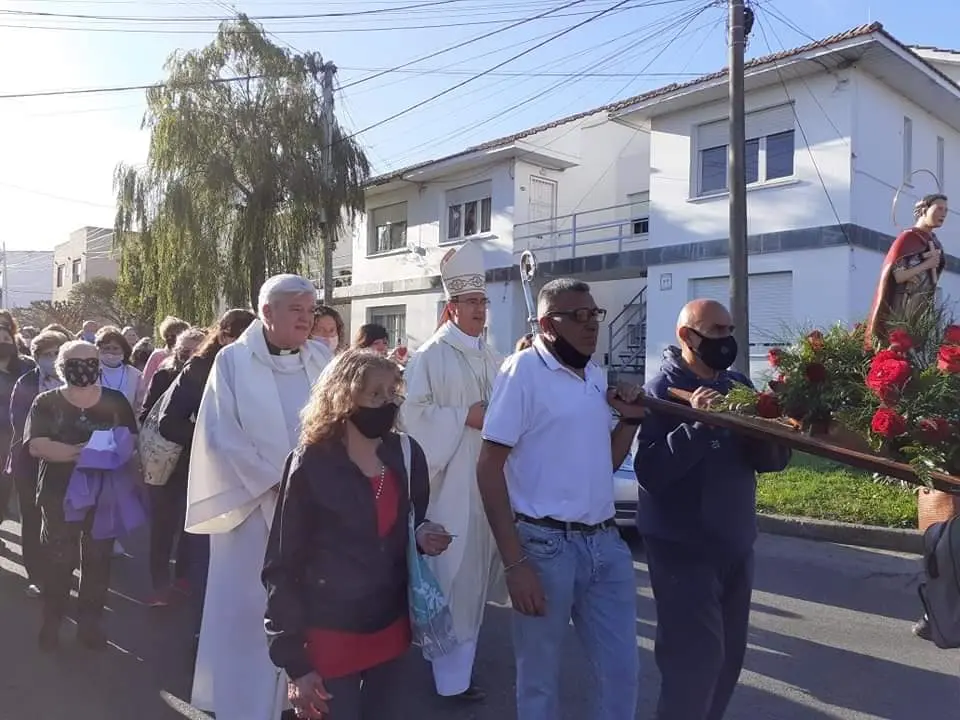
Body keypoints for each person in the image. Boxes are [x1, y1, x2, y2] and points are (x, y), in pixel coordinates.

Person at [477, 278, 645, 720]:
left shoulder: (594, 373)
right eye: (579, 316)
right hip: (544, 548)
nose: (592, 325)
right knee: (539, 682)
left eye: (595, 315)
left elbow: (602, 463)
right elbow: (488, 467)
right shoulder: (521, 371)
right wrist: (515, 564)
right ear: (548, 325)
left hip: (605, 546)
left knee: (620, 672)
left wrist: (627, 422)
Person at [263, 349, 451, 720]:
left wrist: (421, 535)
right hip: (331, 634)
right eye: (374, 394)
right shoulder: (311, 462)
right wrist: (295, 663)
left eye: (391, 392)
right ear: (344, 397)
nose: (387, 402)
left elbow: (405, 524)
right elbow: (282, 564)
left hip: (392, 630)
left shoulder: (407, 453)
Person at [634, 299, 791, 720]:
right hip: (683, 551)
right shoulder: (661, 391)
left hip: (736, 544)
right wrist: (701, 425)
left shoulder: (737, 383)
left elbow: (769, 462)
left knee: (726, 661)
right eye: (717, 331)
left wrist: (775, 426)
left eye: (729, 330)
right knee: (694, 664)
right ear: (687, 336)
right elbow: (651, 472)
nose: (726, 340)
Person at [185, 275, 332, 720]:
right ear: (267, 312)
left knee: (302, 607)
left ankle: (294, 699)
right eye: (296, 309)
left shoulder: (322, 357)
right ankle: (243, 707)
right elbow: (219, 433)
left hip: (311, 510)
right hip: (250, 509)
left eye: (310, 309)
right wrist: (276, 483)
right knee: (249, 611)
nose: (307, 318)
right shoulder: (232, 361)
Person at [398, 240, 505, 701]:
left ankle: (461, 673)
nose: (480, 309)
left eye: (483, 301)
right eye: (471, 302)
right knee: (453, 580)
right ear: (451, 307)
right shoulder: (430, 356)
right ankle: (450, 683)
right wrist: (464, 414)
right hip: (450, 485)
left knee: (476, 580)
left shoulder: (493, 356)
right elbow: (411, 417)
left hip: (489, 484)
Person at [25, 340, 139, 651]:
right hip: (57, 494)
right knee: (60, 560)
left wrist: (72, 453)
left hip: (104, 495)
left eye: (91, 361)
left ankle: (90, 624)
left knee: (98, 561)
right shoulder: (46, 402)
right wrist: (90, 452)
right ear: (62, 367)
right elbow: (38, 446)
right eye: (76, 362)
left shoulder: (115, 401)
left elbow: (128, 441)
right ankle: (52, 621)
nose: (85, 367)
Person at [158, 309, 256, 640]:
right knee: (208, 558)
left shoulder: (262, 370)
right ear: (224, 335)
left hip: (253, 480)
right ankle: (204, 634)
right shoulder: (200, 368)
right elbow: (168, 421)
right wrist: (211, 438)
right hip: (204, 475)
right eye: (238, 337)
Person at [139, 326, 206, 606]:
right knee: (163, 527)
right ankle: (159, 584)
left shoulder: (215, 378)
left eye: (197, 351)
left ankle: (184, 579)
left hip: (200, 463)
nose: (190, 356)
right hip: (165, 463)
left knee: (194, 527)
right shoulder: (164, 374)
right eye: (184, 350)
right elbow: (147, 415)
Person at [8, 329, 68, 597]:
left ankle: (62, 571)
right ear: (36, 357)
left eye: (57, 353)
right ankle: (37, 575)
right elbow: (20, 423)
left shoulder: (81, 385)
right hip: (30, 462)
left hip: (68, 464)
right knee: (32, 519)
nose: (52, 359)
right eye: (46, 354)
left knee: (64, 521)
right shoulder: (26, 382)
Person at [865, 193, 948, 346]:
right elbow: (898, 276)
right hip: (903, 302)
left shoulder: (933, 241)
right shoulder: (907, 238)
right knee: (898, 343)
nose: (943, 214)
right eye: (939, 208)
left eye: (946, 211)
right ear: (924, 210)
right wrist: (927, 264)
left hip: (922, 303)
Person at [0, 320, 36, 527]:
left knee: (17, 485)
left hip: (23, 433)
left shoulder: (27, 366)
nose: (2, 343)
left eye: (6, 339)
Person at [140, 316, 190, 399]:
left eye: (174, 335)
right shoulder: (157, 355)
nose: (170, 338)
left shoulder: (189, 355)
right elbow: (146, 381)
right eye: (167, 335)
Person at [94, 326, 142, 410]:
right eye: (106, 348)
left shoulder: (136, 375)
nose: (111, 352)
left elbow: (139, 404)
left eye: (115, 348)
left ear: (124, 350)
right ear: (98, 350)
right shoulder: (92, 372)